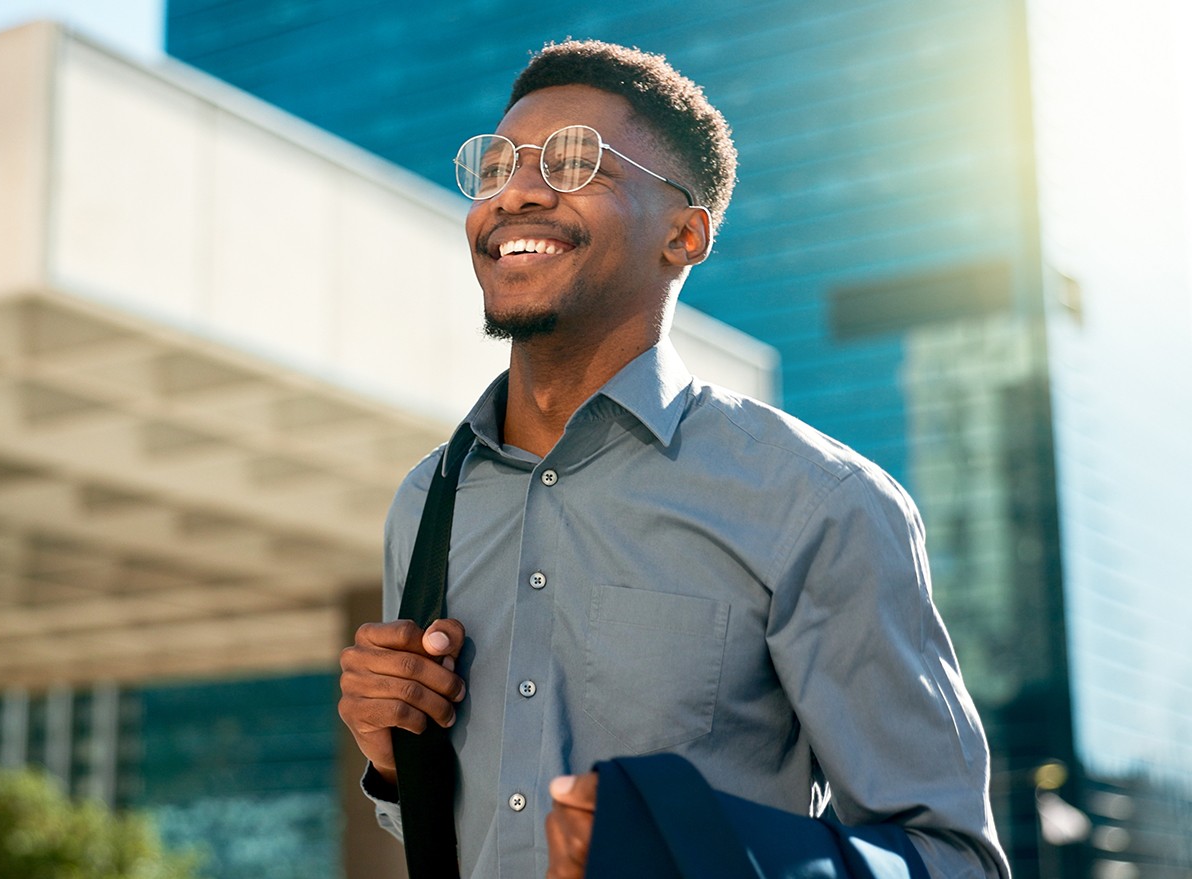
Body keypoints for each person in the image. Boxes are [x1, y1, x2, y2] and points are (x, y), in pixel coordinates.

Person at [338, 39, 1010, 879]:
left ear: (684, 234)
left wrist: (688, 851)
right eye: (497, 166)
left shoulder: (819, 502)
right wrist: (396, 761)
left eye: (575, 162)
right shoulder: (428, 499)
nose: (516, 192)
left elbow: (950, 859)